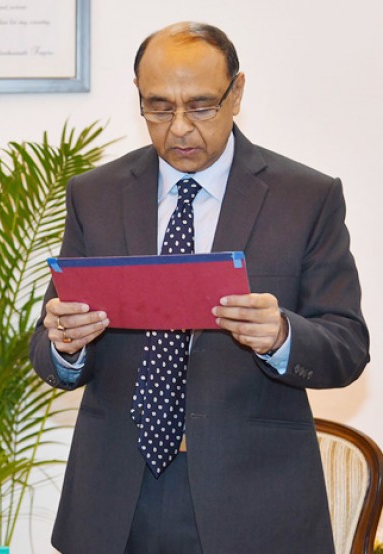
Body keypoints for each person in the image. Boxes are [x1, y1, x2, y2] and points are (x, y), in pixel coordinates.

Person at [30, 21, 369, 554]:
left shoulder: (306, 198)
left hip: (254, 500)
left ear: (237, 93)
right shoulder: (95, 195)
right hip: (115, 500)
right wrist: (65, 343)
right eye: (159, 108)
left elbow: (347, 347)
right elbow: (49, 349)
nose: (180, 128)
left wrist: (281, 336)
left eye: (202, 106)